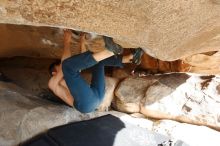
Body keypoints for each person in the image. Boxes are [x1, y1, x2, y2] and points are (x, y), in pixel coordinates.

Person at [48, 29, 143, 113]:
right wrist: (67, 41)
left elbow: (83, 61)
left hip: (96, 96)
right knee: (67, 65)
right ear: (54, 73)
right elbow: (66, 64)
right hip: (85, 105)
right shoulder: (53, 83)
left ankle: (129, 58)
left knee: (97, 62)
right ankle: (110, 51)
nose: (61, 66)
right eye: (58, 67)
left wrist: (82, 42)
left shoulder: (72, 79)